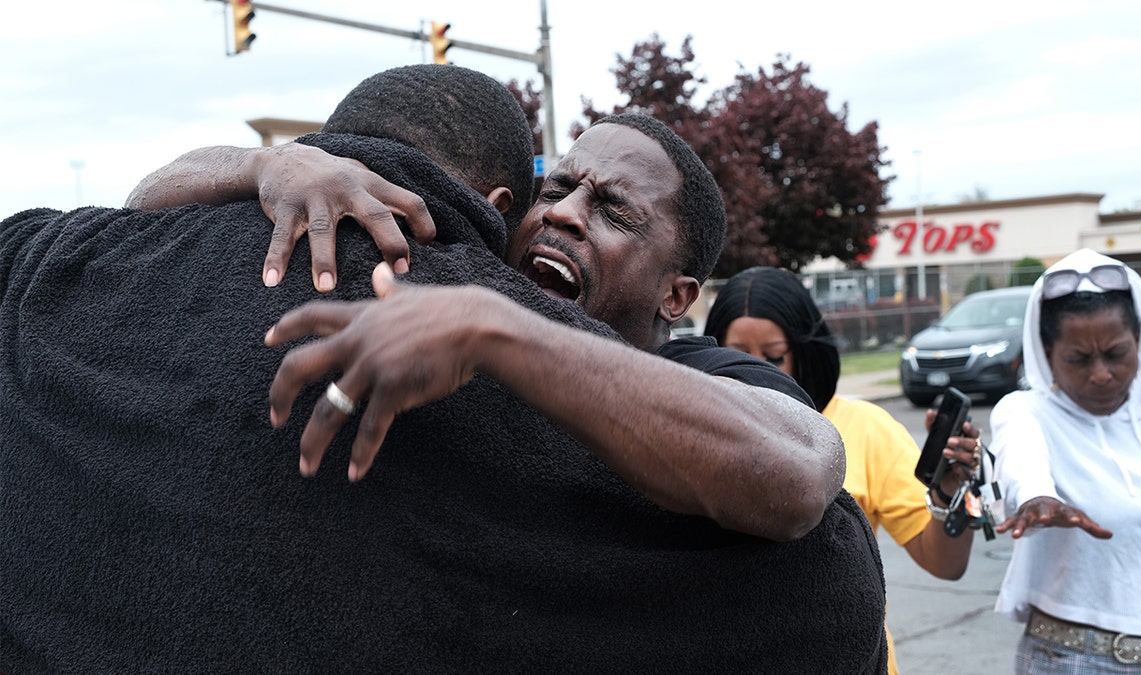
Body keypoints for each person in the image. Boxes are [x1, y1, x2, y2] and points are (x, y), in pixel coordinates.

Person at [1, 64, 888, 672]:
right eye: (554, 188)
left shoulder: (717, 373)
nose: (566, 216)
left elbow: (802, 474)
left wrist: (495, 326)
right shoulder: (424, 280)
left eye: (611, 210)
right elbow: (133, 197)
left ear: (677, 293)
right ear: (505, 212)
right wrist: (269, 161)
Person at [702, 265, 982, 675]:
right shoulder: (689, 430)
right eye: (738, 355)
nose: (755, 373)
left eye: (774, 358)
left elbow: (945, 564)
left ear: (805, 352)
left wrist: (947, 493)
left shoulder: (866, 429)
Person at [990, 247, 1141, 673]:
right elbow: (1020, 454)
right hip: (1069, 658)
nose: (1101, 373)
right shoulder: (1027, 411)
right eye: (1079, 359)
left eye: (1117, 353)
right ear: (1047, 355)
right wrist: (1035, 495)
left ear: (1140, 342)